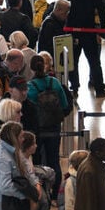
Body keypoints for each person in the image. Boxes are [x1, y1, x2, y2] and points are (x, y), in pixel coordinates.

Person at [27, 54, 71, 197]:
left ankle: (41, 191)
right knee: (54, 160)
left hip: (37, 130)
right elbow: (65, 105)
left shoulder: (30, 87)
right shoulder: (55, 83)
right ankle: (55, 193)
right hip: (54, 128)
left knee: (37, 161)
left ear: (31, 68)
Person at [64, 0, 105, 96]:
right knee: (94, 61)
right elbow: (102, 11)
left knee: (73, 61)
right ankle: (99, 89)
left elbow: (64, 5)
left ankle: (74, 88)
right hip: (89, 32)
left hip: (72, 32)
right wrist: (103, 26)